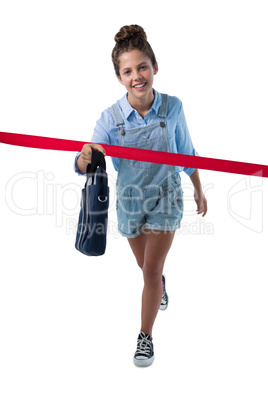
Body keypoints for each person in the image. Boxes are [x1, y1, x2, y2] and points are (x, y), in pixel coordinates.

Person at [74, 24, 207, 367]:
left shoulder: (173, 108)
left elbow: (187, 153)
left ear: (155, 67)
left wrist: (197, 189)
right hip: (130, 201)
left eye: (142, 67)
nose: (137, 76)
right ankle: (160, 285)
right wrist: (84, 157)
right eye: (128, 71)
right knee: (145, 266)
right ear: (119, 77)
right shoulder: (110, 118)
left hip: (167, 198)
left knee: (149, 271)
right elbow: (88, 154)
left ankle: (145, 337)